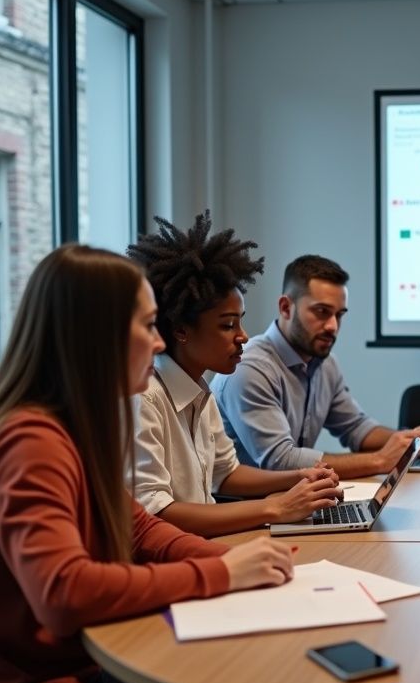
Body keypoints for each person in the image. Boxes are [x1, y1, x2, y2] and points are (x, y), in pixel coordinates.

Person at [0, 245, 319, 683]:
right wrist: (223, 575)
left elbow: (140, 529)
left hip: (79, 675)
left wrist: (233, 560)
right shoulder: (31, 441)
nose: (159, 340)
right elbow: (65, 593)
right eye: (146, 326)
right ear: (96, 338)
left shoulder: (71, 428)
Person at [127, 213, 343, 537]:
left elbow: (226, 474)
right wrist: (277, 508)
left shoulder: (200, 388)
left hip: (201, 548)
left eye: (240, 322)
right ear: (181, 330)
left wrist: (300, 478)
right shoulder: (145, 397)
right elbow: (155, 514)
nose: (243, 335)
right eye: (228, 325)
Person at [211, 255, 420, 479]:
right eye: (322, 312)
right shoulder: (250, 368)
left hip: (291, 498)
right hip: (243, 508)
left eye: (339, 315)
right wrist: (379, 461)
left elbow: (355, 428)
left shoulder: (325, 363)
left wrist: (409, 441)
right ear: (285, 307)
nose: (333, 326)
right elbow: (279, 460)